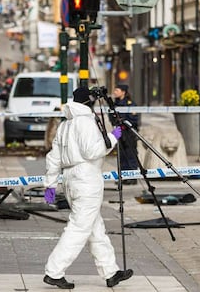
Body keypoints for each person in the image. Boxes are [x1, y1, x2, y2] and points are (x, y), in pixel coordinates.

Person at [42, 86, 133, 289]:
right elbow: (94, 151)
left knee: (95, 229)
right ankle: (54, 271)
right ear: (89, 102)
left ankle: (110, 272)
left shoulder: (66, 124)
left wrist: (50, 185)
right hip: (86, 180)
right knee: (78, 228)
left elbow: (53, 157)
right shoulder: (85, 121)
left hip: (71, 180)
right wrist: (114, 136)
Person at [112, 84, 140, 185]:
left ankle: (132, 177)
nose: (115, 92)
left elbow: (134, 119)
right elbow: (112, 118)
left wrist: (124, 122)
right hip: (119, 132)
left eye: (117, 90)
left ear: (123, 92)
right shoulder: (115, 104)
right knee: (121, 155)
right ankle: (123, 177)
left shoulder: (130, 104)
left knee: (131, 154)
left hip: (129, 132)